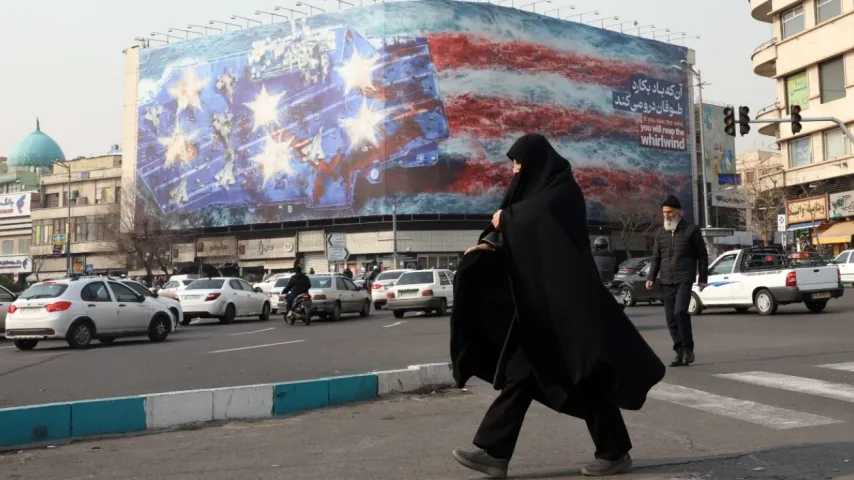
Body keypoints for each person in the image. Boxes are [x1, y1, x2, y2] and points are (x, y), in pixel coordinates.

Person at [451, 134, 665, 478]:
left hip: (568, 305)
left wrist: (508, 220)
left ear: (536, 162)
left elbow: (541, 227)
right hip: (539, 307)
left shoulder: (562, 192)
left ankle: (610, 451)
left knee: (584, 375)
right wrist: (488, 246)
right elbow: (524, 244)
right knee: (526, 372)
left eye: (519, 164)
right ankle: (495, 452)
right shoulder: (533, 197)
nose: (515, 171)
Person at [645, 195, 709, 367]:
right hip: (666, 280)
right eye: (664, 212)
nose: (666, 215)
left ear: (678, 212)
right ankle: (679, 352)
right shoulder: (660, 233)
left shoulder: (691, 230)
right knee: (670, 319)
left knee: (680, 312)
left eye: (669, 212)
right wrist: (651, 277)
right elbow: (656, 257)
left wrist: (703, 278)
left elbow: (702, 256)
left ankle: (688, 350)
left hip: (684, 278)